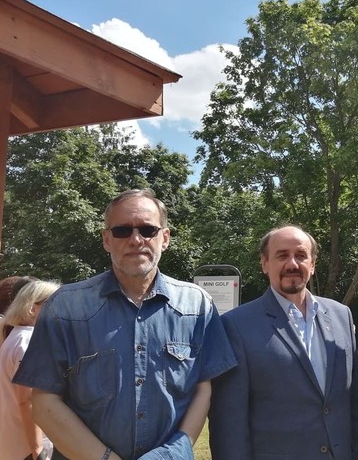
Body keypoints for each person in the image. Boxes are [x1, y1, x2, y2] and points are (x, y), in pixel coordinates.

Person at [13, 189, 237, 460]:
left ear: (165, 238)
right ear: (106, 239)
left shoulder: (197, 305)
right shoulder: (64, 307)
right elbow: (44, 401)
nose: (136, 239)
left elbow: (204, 387)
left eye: (148, 230)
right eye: (122, 230)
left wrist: (172, 454)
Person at [209, 225, 358, 460]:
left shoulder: (341, 316)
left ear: (312, 264)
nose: (292, 264)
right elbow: (229, 424)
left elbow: (356, 403)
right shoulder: (236, 326)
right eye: (282, 255)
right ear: (265, 263)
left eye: (301, 255)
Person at [0, 280, 59, 460]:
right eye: (52, 303)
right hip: (28, 447)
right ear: (32, 309)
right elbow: (27, 401)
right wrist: (38, 449)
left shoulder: (16, 337)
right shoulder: (28, 342)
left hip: (13, 443)